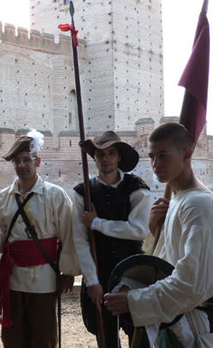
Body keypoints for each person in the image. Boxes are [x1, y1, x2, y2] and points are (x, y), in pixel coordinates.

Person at [104, 122, 213, 347]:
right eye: (152, 156)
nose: (155, 164)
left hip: (194, 328)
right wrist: (155, 231)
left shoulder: (198, 204)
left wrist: (134, 301)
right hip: (173, 322)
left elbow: (191, 284)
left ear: (187, 154)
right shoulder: (177, 200)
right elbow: (163, 263)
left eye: (163, 156)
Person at [0, 130, 79, 348]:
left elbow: (68, 235)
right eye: (17, 161)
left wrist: (68, 272)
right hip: (13, 280)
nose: (21, 165)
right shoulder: (3, 199)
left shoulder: (55, 196)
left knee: (43, 338)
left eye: (26, 159)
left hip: (44, 278)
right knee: (14, 339)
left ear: (37, 161)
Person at [72, 130, 151, 347]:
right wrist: (92, 281)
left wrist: (97, 224)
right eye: (100, 155)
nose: (106, 159)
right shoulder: (83, 192)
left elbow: (138, 230)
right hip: (100, 272)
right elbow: (80, 241)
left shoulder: (137, 188)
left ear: (119, 157)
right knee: (106, 337)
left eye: (111, 153)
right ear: (95, 158)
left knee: (139, 334)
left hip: (132, 271)